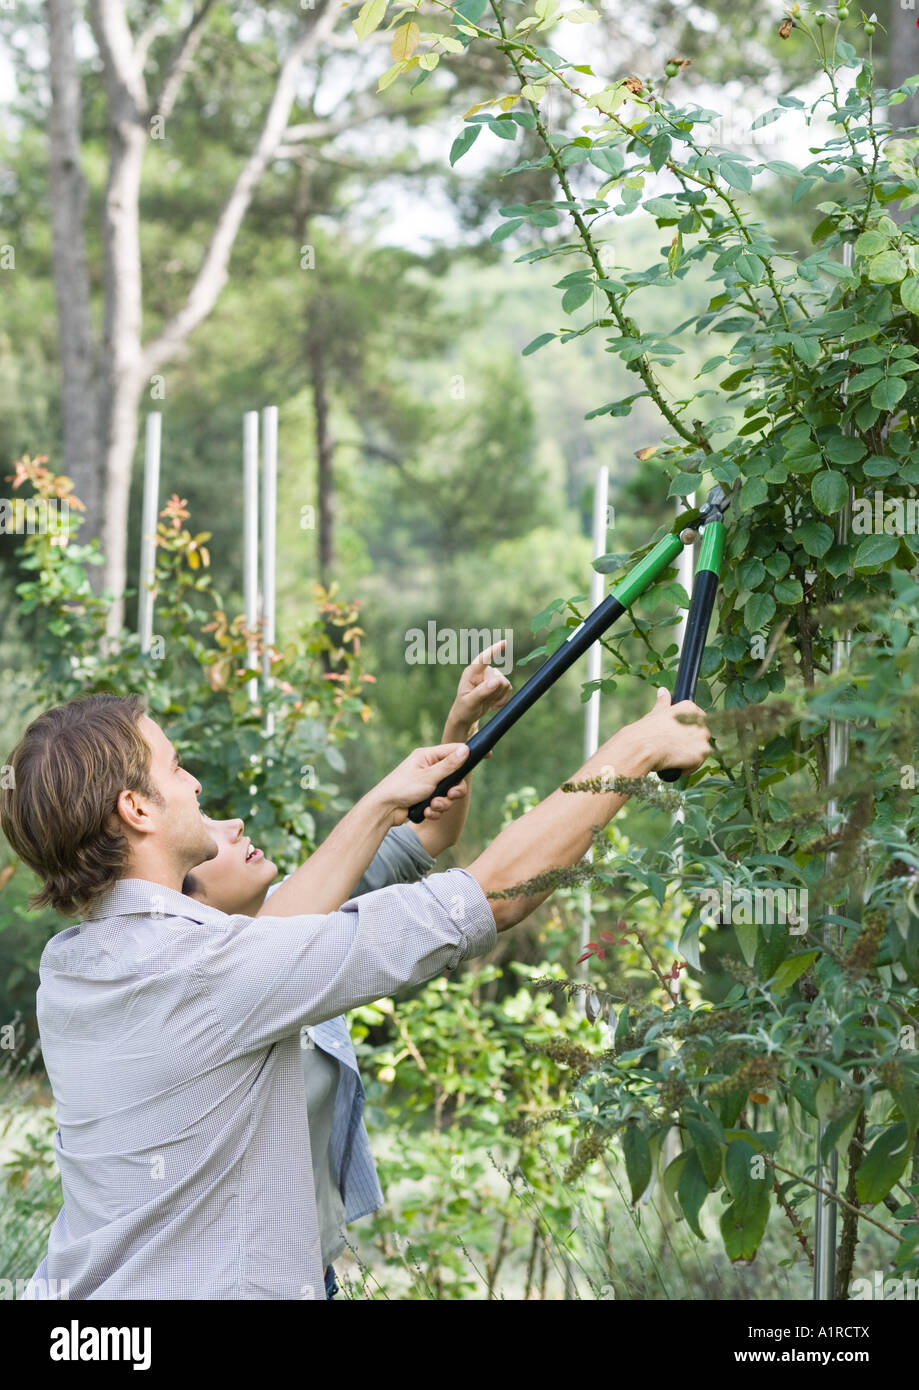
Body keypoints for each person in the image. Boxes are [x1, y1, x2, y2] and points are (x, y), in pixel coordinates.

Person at [1, 684, 709, 1299]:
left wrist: (379, 803)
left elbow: (277, 929)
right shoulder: (205, 968)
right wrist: (633, 751)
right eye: (175, 766)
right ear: (137, 809)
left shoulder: (76, 963)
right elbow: (487, 900)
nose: (192, 784)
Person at [180, 644, 514, 1299]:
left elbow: (426, 836)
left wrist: (459, 727)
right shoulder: (196, 987)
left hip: (313, 1268)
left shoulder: (299, 910)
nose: (234, 824)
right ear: (183, 899)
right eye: (209, 837)